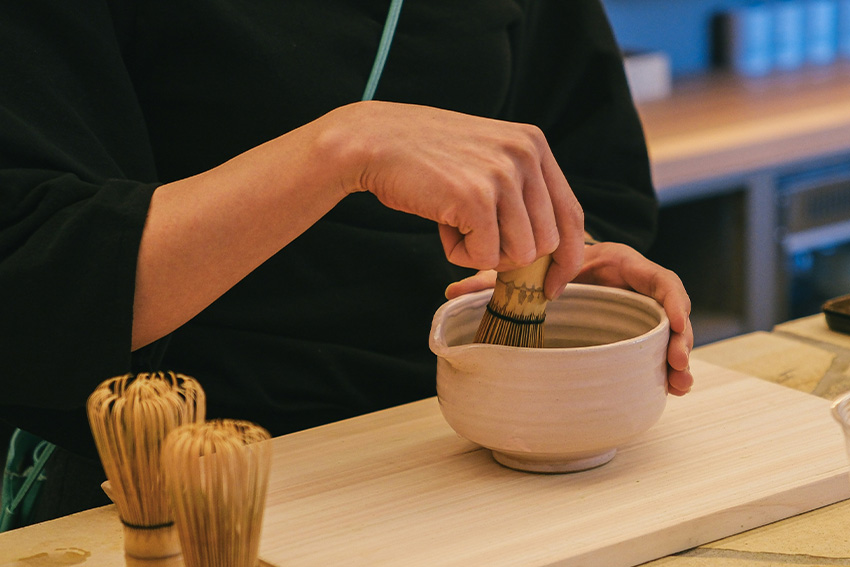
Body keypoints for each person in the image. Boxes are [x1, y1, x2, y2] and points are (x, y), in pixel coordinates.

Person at [1, 0, 693, 521]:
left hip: (447, 457)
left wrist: (569, 260)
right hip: (168, 482)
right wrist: (344, 148)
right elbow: (30, 287)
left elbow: (589, 174)